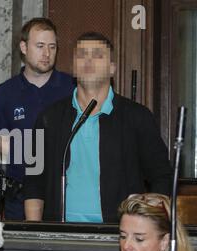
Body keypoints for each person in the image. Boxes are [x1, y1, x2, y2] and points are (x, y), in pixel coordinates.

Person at [24, 32, 173, 222]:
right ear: (74, 68)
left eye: (97, 55)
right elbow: (34, 180)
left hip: (119, 233)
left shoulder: (137, 117)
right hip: (59, 233)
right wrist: (35, 235)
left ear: (112, 68)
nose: (88, 60)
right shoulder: (49, 117)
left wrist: (146, 223)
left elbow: (162, 177)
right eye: (82, 55)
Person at [0, 17, 74, 221]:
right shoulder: (4, 93)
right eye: (40, 46)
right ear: (24, 47)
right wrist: (40, 152)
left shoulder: (72, 88)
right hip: (18, 195)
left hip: (64, 194)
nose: (47, 54)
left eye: (52, 47)